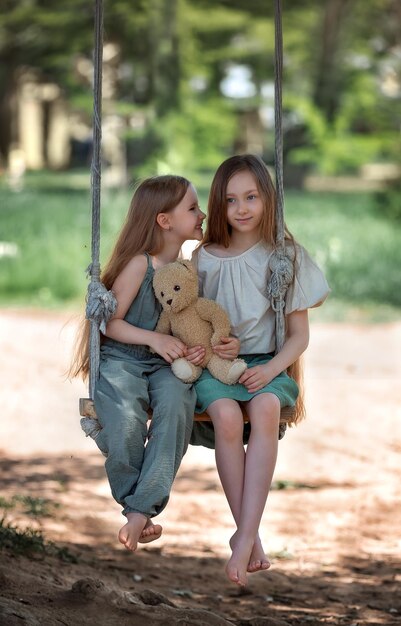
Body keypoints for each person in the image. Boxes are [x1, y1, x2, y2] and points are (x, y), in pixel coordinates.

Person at [191, 154, 330, 587]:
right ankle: (251, 537)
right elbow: (195, 320)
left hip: (267, 366)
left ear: (268, 198)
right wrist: (218, 344)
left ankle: (245, 535)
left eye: (251, 196)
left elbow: (298, 337)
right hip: (220, 366)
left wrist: (270, 370)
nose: (242, 208)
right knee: (228, 416)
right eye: (231, 200)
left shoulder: (284, 257)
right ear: (219, 206)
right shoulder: (204, 259)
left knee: (266, 410)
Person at [69, 175, 207, 553]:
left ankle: (138, 510)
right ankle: (139, 507)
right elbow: (110, 324)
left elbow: (187, 322)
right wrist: (154, 339)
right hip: (123, 357)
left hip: (165, 364)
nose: (203, 214)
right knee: (126, 416)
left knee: (179, 403)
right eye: (193, 208)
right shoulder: (138, 265)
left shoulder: (185, 269)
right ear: (164, 220)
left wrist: (193, 351)